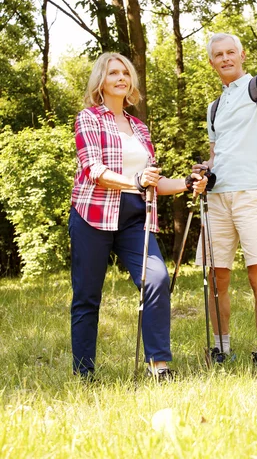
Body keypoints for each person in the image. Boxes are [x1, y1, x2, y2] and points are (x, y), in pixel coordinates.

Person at [69, 51, 207, 381]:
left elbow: (152, 183)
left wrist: (188, 184)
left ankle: (158, 367)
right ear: (100, 81)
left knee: (156, 279)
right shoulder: (89, 118)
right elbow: (93, 170)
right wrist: (134, 181)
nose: (121, 78)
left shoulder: (139, 128)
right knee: (88, 296)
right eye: (113, 72)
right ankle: (85, 373)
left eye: (126, 73)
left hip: (134, 219)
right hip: (93, 216)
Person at [195, 33, 257, 366]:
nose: (225, 58)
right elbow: (217, 152)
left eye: (231, 52)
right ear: (212, 62)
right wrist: (205, 170)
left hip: (253, 193)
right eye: (218, 54)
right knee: (217, 277)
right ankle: (221, 349)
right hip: (217, 197)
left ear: (242, 55)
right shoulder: (213, 107)